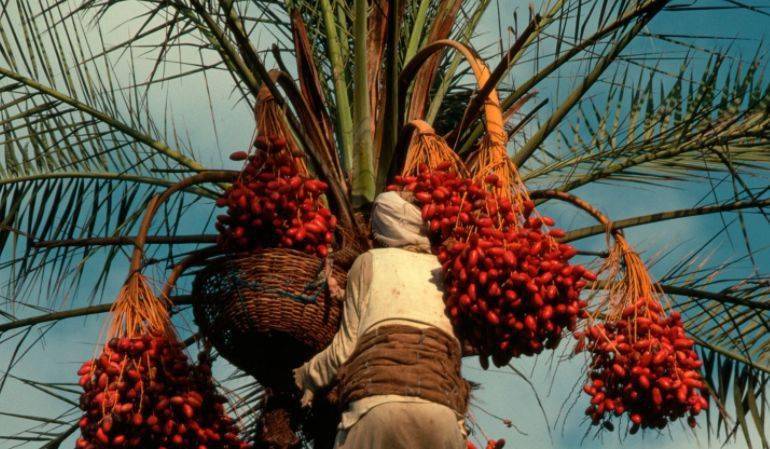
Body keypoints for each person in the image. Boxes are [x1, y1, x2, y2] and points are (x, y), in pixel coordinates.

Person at [293, 191, 469, 449]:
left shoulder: (369, 262)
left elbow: (344, 351)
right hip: (443, 418)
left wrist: (305, 376)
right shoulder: (447, 271)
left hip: (377, 410)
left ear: (383, 228)